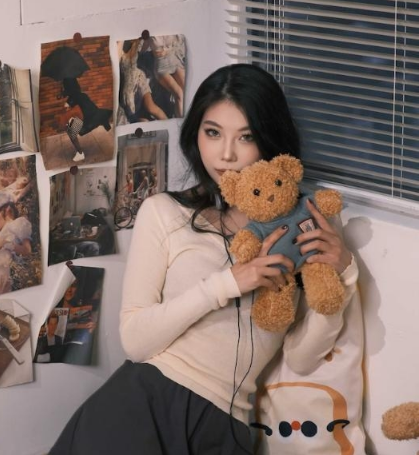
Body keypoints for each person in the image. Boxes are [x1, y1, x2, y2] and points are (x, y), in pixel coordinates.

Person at [49, 63, 359, 455]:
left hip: (226, 428)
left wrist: (344, 274)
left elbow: (301, 359)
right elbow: (136, 341)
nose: (226, 154)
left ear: (270, 140)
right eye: (213, 133)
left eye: (246, 137)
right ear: (196, 134)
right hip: (142, 403)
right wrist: (228, 283)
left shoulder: (301, 226)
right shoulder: (164, 213)